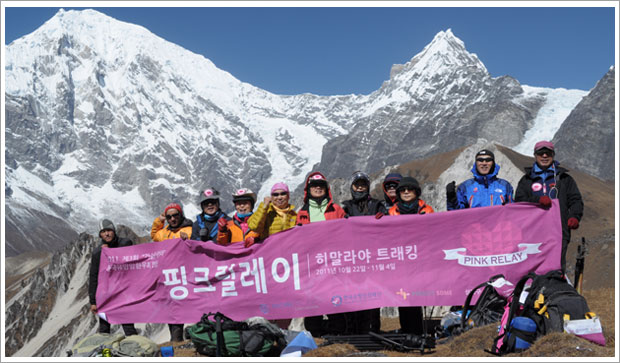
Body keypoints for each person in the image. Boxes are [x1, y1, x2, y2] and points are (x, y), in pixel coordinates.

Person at [515, 141, 584, 272]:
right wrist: (537, 200)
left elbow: (576, 200)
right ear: (535, 155)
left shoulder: (564, 179)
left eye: (548, 153)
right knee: (532, 266)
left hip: (559, 229)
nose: (545, 156)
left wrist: (574, 216)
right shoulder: (527, 180)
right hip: (532, 231)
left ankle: (555, 289)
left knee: (557, 265)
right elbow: (519, 201)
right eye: (541, 153)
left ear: (553, 155)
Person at [295, 171, 346, 336]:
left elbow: (347, 231)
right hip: (311, 264)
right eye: (314, 186)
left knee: (335, 296)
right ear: (308, 190)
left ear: (326, 189)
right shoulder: (302, 213)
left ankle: (337, 331)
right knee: (313, 298)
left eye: (321, 186)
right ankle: (314, 333)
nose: (317, 188)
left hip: (333, 261)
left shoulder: (337, 210)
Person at [385, 177, 433, 335]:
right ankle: (407, 331)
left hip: (422, 260)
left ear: (416, 192)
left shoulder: (427, 210)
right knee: (402, 296)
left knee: (418, 296)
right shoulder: (390, 212)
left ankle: (419, 331)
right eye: (402, 190)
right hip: (400, 261)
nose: (406, 192)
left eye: (410, 189)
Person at [247, 182, 298, 329]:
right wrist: (264, 206)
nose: (279, 197)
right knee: (270, 301)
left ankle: (282, 333)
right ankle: (269, 334)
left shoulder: (294, 215)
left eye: (283, 194)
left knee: (287, 302)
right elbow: (253, 226)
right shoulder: (267, 212)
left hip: (289, 266)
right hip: (270, 265)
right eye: (275, 194)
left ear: (288, 196)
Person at [341, 171, 387, 334]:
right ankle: (354, 333)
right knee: (353, 296)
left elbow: (388, 227)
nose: (360, 188)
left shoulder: (377, 205)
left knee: (374, 297)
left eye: (363, 185)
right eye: (357, 185)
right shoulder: (345, 206)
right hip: (352, 260)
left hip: (373, 258)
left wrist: (385, 218)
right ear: (352, 187)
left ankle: (374, 332)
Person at [150, 203, 194, 341]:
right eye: (169, 216)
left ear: (181, 215)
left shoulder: (190, 230)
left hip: (187, 274)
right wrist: (159, 220)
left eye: (175, 215)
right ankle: (176, 339)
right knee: (173, 308)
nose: (172, 219)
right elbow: (154, 235)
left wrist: (188, 241)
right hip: (170, 277)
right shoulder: (164, 233)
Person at [89, 219, 137, 336]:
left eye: (109, 230)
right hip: (106, 294)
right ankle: (105, 353)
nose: (107, 234)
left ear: (114, 231)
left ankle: (135, 350)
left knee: (128, 326)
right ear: (100, 234)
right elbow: (94, 277)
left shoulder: (125, 243)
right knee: (104, 328)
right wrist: (93, 301)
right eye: (103, 231)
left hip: (123, 292)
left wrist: (110, 252)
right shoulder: (97, 253)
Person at [446, 149, 514, 210]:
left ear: (493, 163)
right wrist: (451, 198)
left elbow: (512, 211)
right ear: (476, 164)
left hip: (498, 223)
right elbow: (456, 214)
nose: (484, 163)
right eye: (480, 160)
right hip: (473, 223)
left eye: (488, 160)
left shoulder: (505, 186)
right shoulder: (465, 187)